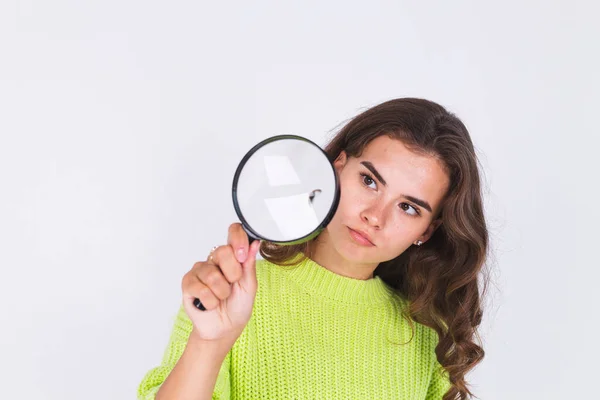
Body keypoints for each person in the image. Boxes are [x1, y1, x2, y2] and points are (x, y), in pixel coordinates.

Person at [137, 98, 490, 400]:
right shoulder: (230, 298)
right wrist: (210, 342)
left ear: (426, 231)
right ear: (336, 167)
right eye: (369, 181)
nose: (374, 217)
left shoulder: (428, 334)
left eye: (408, 207)